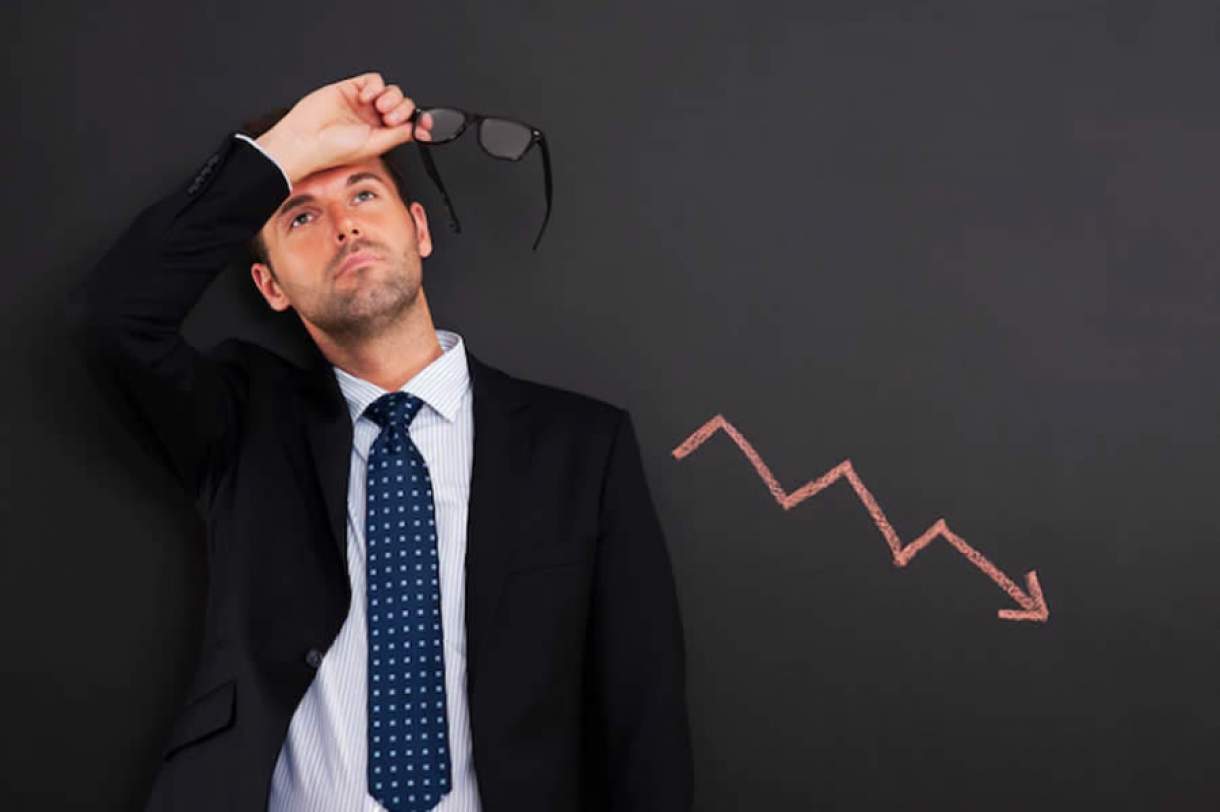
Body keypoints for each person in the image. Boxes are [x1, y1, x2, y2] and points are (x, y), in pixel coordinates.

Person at [66, 71, 692, 811]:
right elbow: (114, 317)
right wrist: (283, 153)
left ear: (419, 230)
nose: (344, 226)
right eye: (301, 216)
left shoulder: (582, 447)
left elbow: (643, 717)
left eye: (364, 194)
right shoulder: (243, 425)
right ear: (270, 286)